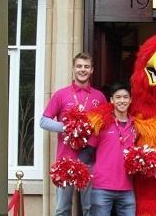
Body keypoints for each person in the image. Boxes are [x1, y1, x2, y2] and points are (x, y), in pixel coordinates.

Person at [40, 52, 107, 216]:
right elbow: (43, 121)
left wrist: (90, 143)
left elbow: (104, 127)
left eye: (86, 67)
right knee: (62, 209)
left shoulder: (99, 96)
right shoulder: (61, 94)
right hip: (65, 161)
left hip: (89, 160)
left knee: (89, 208)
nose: (82, 70)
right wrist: (68, 127)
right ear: (73, 68)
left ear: (92, 70)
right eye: (79, 66)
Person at [88, 82, 136, 216]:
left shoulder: (137, 126)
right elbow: (88, 152)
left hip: (127, 187)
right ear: (111, 100)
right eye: (118, 97)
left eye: (125, 97)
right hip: (102, 187)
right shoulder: (101, 123)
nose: (122, 101)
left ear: (130, 100)